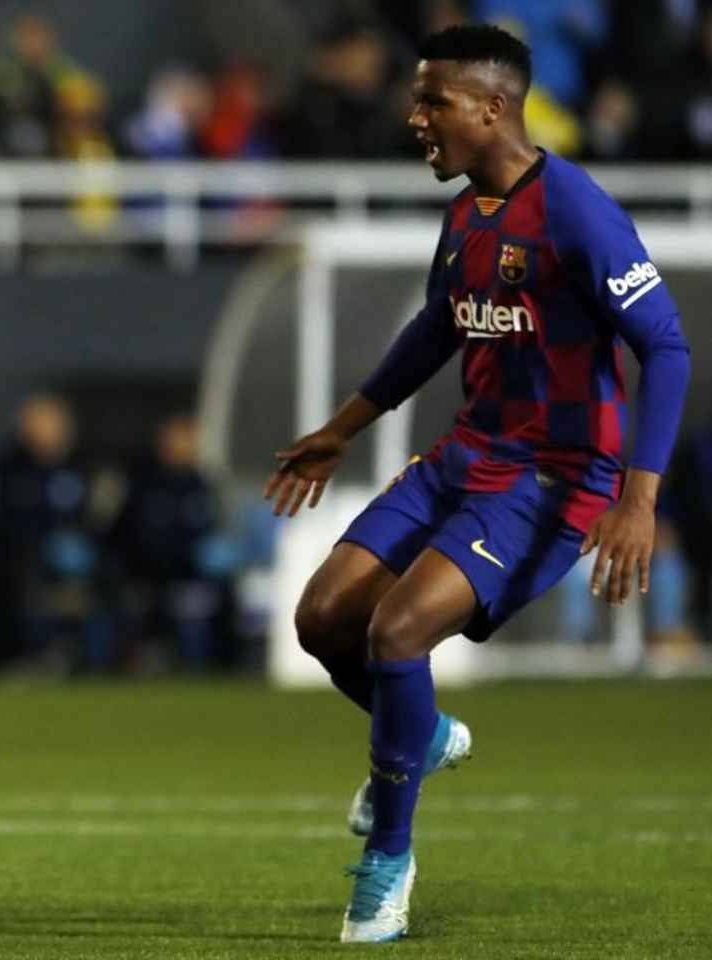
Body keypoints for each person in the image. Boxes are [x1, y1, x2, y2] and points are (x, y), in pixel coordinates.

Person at [267, 25, 689, 944]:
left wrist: (639, 500)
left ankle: (388, 863)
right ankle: (422, 735)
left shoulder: (577, 210)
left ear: (492, 108)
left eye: (433, 103)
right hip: (466, 458)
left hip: (553, 479)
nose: (416, 119)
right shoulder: (467, 214)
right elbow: (436, 329)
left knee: (397, 627)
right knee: (320, 619)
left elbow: (664, 344)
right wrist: (338, 433)